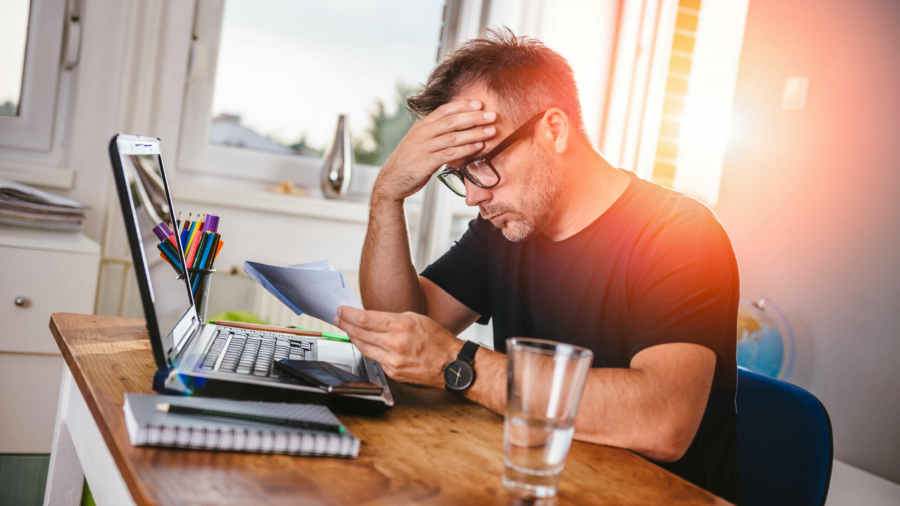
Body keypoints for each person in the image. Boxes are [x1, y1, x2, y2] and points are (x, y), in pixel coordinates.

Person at [332, 28, 741, 503]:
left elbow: (661, 421)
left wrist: (458, 363)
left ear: (554, 129)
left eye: (483, 163)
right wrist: (387, 194)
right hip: (536, 488)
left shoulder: (680, 234)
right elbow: (403, 330)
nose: (471, 196)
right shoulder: (504, 227)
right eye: (460, 174)